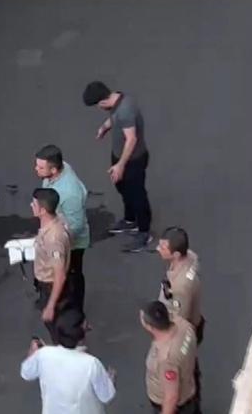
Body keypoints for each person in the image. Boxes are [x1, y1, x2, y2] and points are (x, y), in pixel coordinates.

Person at [83, 81, 152, 252]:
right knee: (122, 187)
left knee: (137, 195)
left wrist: (120, 165)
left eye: (98, 105)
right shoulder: (117, 100)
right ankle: (130, 220)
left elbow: (132, 139)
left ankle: (144, 232)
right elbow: (114, 118)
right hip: (118, 156)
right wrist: (105, 127)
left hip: (133, 160)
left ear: (102, 101)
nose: (99, 108)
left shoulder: (125, 110)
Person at [20, 310, 116, 414]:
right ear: (81, 337)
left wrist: (32, 353)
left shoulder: (44, 354)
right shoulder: (91, 364)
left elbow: (26, 373)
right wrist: (110, 380)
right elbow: (106, 396)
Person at [34, 145, 90, 320]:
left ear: (54, 169)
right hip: (56, 233)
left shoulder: (70, 194)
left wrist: (56, 241)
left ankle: (75, 316)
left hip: (72, 244)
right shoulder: (58, 170)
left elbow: (76, 225)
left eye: (40, 167)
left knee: (71, 278)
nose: (36, 169)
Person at [156, 227, 204, 410]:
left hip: (187, 329)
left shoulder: (180, 289)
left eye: (163, 247)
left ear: (176, 254)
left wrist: (168, 342)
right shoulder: (189, 258)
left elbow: (179, 321)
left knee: (185, 369)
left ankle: (190, 402)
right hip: (195, 321)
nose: (158, 249)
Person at [141, 301, 199, 414]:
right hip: (189, 386)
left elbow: (171, 397)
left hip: (176, 407)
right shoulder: (184, 325)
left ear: (150, 327)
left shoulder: (166, 359)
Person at [31, 188, 73, 343]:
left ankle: (62, 347)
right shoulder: (57, 219)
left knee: (55, 326)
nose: (31, 206)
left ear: (42, 210)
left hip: (50, 285)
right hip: (45, 282)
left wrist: (50, 306)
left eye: (34, 204)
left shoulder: (53, 238)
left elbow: (59, 275)